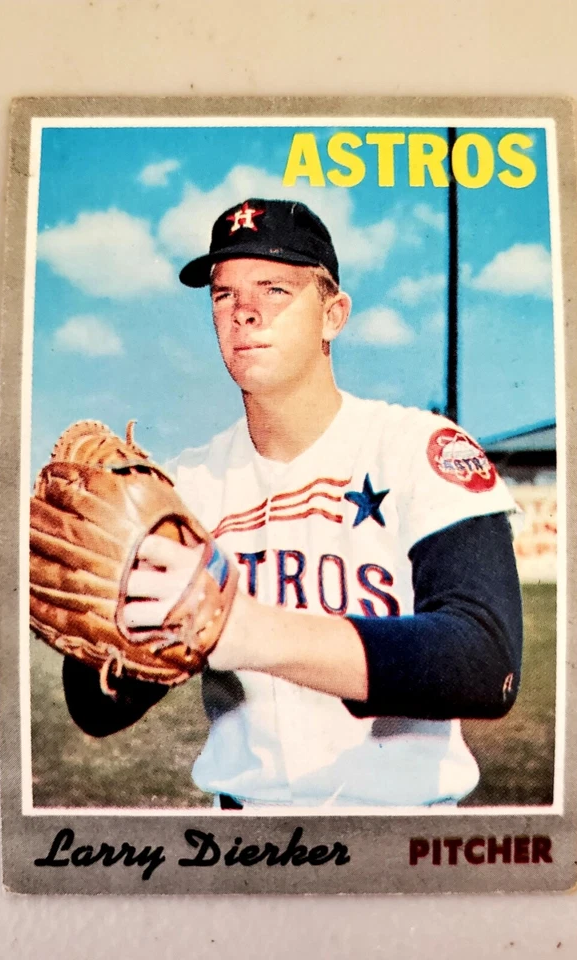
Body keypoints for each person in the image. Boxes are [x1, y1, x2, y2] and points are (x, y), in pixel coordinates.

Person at [62, 198, 523, 809]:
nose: (244, 313)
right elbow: (95, 710)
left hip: (405, 831)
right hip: (247, 844)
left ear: (334, 315)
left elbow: (486, 662)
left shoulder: (418, 449)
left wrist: (244, 629)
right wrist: (129, 633)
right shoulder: (184, 488)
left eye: (273, 288)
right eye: (223, 295)